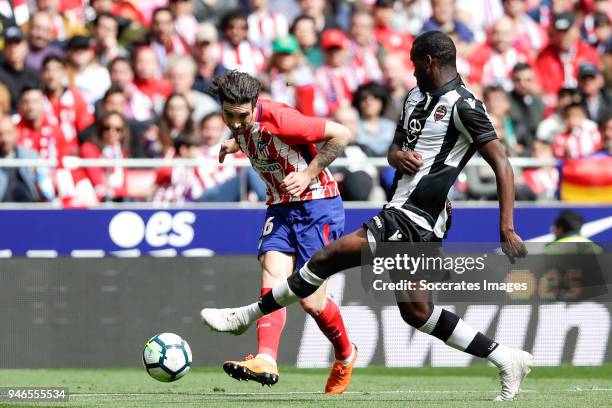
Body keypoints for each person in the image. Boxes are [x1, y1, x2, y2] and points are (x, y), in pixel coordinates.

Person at [201, 31, 532, 402]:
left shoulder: (465, 105)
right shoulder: (414, 97)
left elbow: (502, 165)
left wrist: (506, 227)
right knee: (417, 312)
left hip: (415, 214)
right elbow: (395, 149)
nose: (411, 71)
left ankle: (245, 316)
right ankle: (506, 358)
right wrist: (396, 157)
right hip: (402, 208)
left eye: (413, 63)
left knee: (326, 259)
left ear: (429, 62)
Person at [206, 70, 357, 394]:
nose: (234, 122)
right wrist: (236, 142)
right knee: (271, 276)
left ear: (255, 105)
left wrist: (308, 174)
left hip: (318, 206)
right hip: (280, 207)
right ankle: (265, 358)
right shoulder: (241, 125)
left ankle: (346, 355)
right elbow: (250, 134)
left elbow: (341, 134)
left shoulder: (283, 119)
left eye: (241, 116)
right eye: (228, 115)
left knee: (311, 302)